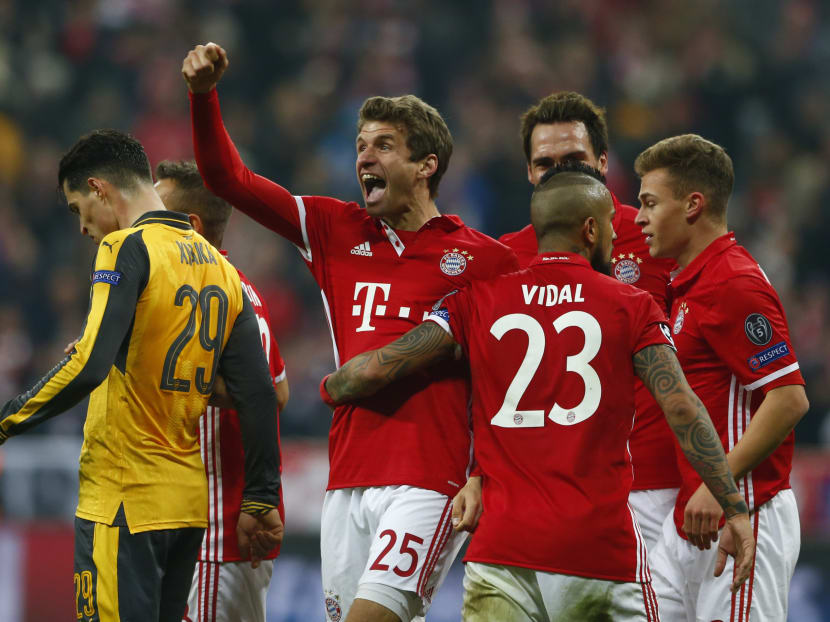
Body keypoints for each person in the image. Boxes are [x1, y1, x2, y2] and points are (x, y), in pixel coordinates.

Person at [321, 165, 755, 621]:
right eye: (611, 224)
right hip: (597, 552)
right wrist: (734, 507)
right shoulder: (634, 305)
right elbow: (682, 407)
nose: (615, 234)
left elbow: (378, 367)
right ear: (590, 230)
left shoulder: (475, 301)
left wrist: (332, 385)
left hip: (501, 554)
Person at [182, 43, 519, 622]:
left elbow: (504, 381)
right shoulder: (334, 228)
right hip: (346, 479)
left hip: (429, 478)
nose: (364, 156)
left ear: (426, 165)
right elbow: (227, 179)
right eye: (361, 144)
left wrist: (483, 474)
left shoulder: (484, 259)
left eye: (383, 145)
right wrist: (203, 96)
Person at [0, 130, 283, 622]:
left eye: (78, 209)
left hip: (124, 499)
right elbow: (259, 393)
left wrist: (5, 421)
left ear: (99, 188)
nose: (82, 227)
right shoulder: (221, 268)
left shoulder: (125, 247)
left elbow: (88, 366)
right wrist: (260, 497)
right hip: (187, 508)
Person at [634, 134, 808, 621]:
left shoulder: (733, 282)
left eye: (650, 203)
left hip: (744, 510)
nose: (639, 218)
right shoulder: (690, 283)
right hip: (692, 517)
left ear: (693, 205)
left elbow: (789, 397)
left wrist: (721, 488)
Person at [496, 91, 680, 551]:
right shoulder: (503, 258)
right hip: (546, 489)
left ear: (602, 161)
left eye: (574, 159)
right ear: (529, 172)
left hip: (654, 486)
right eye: (545, 163)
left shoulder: (658, 240)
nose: (560, 172)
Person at [154, 159, 289, 622]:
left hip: (217, 528)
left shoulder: (205, 295)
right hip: (215, 525)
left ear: (191, 226)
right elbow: (280, 391)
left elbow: (265, 395)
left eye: (156, 212)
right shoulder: (243, 289)